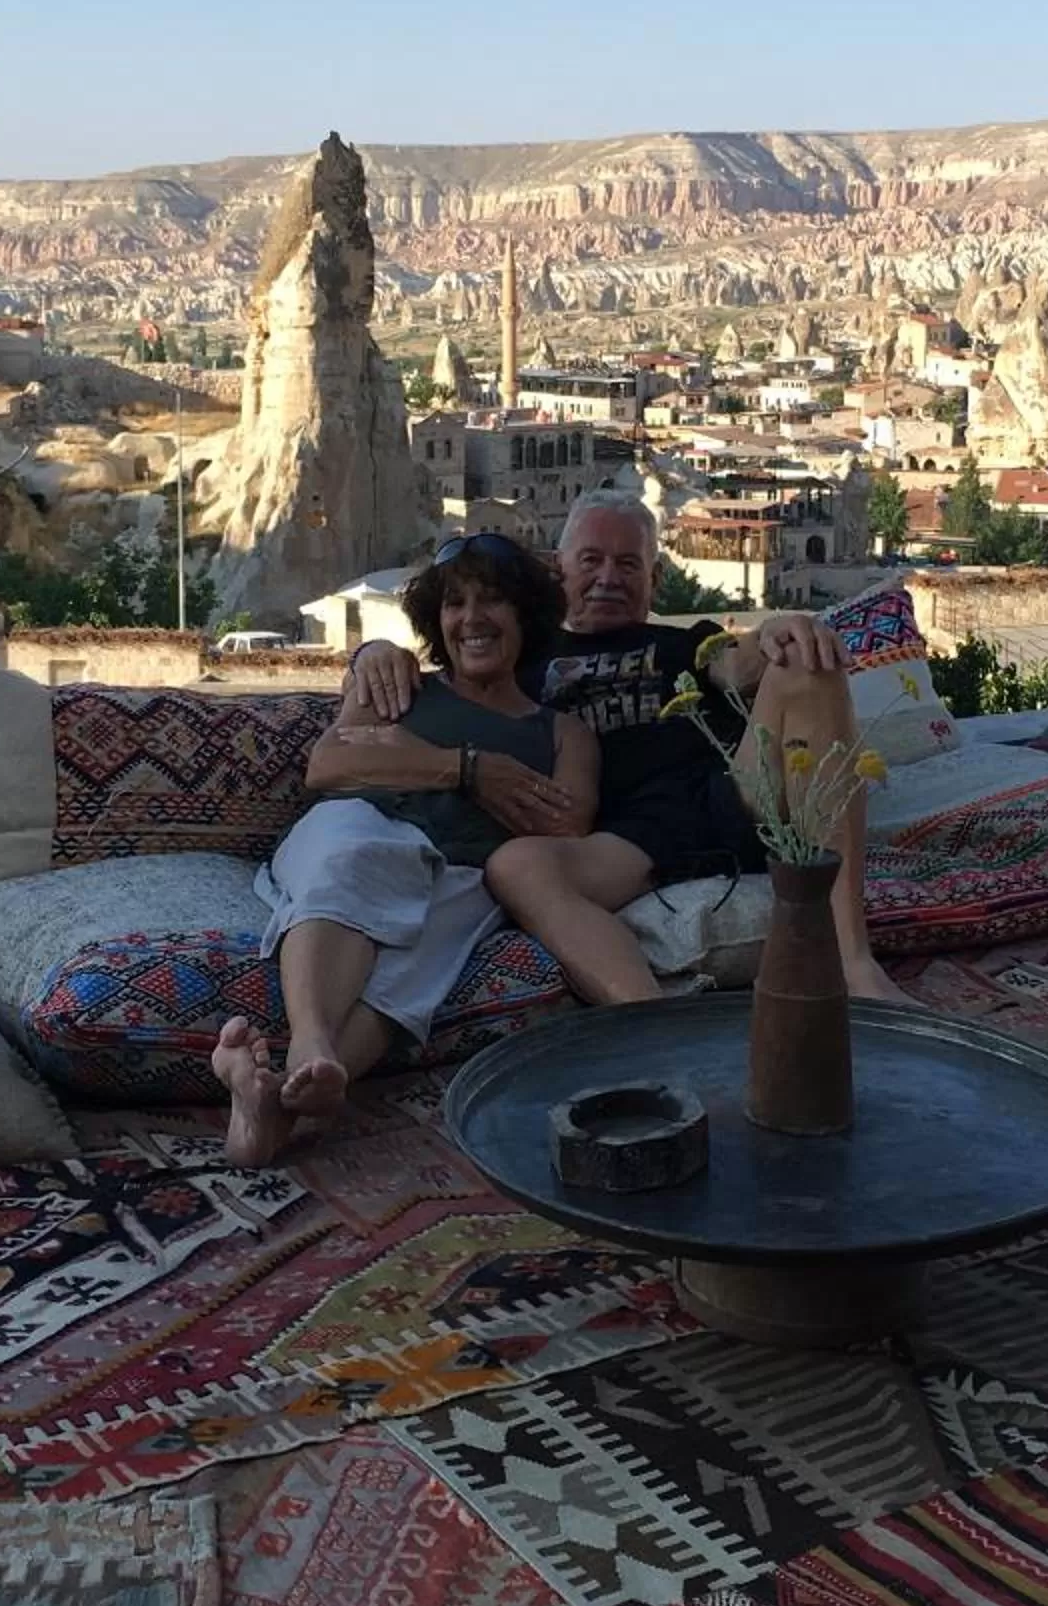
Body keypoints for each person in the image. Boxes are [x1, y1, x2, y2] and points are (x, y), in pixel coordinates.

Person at [346, 490, 896, 1010]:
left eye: (628, 564)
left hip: (735, 798)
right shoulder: (523, 657)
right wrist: (372, 653)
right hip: (622, 840)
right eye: (591, 560)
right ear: (558, 570)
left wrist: (779, 632)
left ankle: (852, 962)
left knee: (805, 661)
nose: (608, 578)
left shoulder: (686, 642)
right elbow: (451, 681)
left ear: (654, 579)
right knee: (515, 865)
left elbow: (737, 662)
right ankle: (646, 1023)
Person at [214, 532, 596, 1165]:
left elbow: (570, 821)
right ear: (434, 620)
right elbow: (330, 765)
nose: (471, 619)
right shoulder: (400, 684)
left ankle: (270, 1111)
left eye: (492, 601)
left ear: (526, 614)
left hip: (460, 873)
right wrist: (466, 770)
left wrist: (410, 760)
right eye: (454, 604)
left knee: (414, 980)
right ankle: (311, 1045)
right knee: (364, 861)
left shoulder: (563, 732)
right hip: (357, 825)